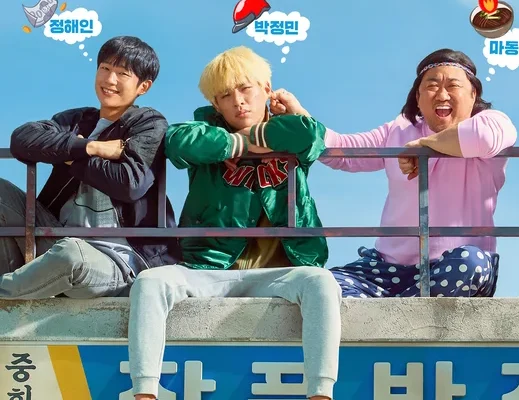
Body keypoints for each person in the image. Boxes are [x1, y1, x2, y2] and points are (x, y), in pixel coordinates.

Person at [127, 46, 341, 400]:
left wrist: (267, 130)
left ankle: (320, 393)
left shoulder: (291, 130)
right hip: (210, 267)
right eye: (226, 95)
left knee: (321, 282)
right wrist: (238, 143)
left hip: (283, 271)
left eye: (246, 89)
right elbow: (179, 143)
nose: (238, 102)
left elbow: (311, 137)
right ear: (216, 104)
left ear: (267, 89)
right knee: (150, 282)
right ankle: (145, 392)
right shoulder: (205, 131)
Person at [270, 48, 517, 298]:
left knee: (471, 262)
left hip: (457, 268)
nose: (442, 94)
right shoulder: (399, 130)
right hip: (386, 270)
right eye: (432, 86)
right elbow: (343, 152)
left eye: (453, 85)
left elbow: (484, 138)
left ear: (473, 94)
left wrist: (424, 146)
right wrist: (301, 119)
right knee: (321, 286)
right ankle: (400, 305)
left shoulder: (493, 122)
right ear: (418, 97)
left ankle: (395, 308)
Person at [0, 35, 179, 299]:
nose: (110, 80)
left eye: (122, 73)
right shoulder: (76, 121)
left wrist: (70, 156)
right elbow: (22, 139)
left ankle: (10, 288)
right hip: (55, 239)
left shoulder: (148, 123)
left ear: (143, 86)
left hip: (116, 261)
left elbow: (129, 183)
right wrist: (90, 147)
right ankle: (20, 282)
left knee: (71, 255)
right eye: (105, 68)